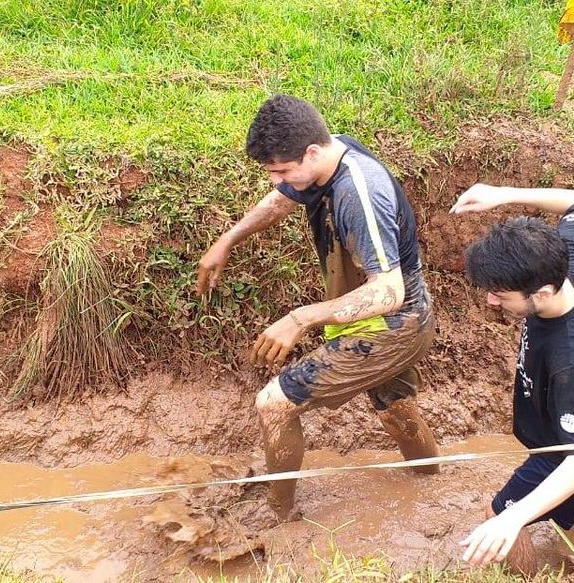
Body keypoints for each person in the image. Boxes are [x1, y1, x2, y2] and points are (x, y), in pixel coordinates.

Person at [197, 94, 439, 520]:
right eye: (272, 172)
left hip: (394, 323)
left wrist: (299, 318)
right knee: (396, 411)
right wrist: (227, 239)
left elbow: (389, 291)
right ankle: (432, 488)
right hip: (377, 317)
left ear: (311, 152)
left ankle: (279, 517)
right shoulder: (326, 153)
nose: (278, 181)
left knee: (274, 403)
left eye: (282, 171)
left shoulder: (359, 194)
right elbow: (281, 199)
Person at [451, 183, 574, 575]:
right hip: (553, 438)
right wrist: (502, 194)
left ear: (542, 293)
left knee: (499, 517)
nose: (491, 301)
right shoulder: (562, 255)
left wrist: (513, 516)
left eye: (501, 295)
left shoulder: (568, 362)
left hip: (560, 454)